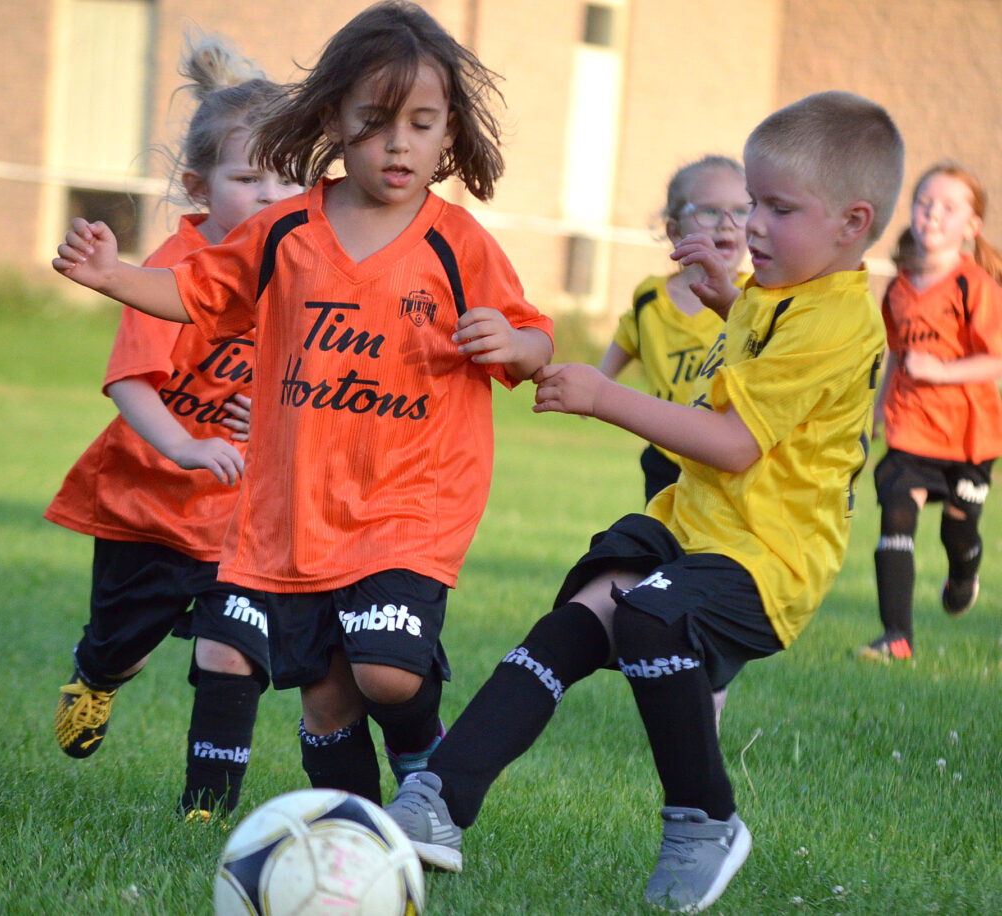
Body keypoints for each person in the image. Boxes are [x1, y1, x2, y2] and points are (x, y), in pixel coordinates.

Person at [383, 90, 904, 913]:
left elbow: (734, 442)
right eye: (749, 202)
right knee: (577, 619)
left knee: (649, 617)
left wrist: (601, 394)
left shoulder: (839, 320)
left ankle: (706, 821)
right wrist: (729, 296)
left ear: (853, 222)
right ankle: (437, 801)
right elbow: (767, 356)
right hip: (696, 525)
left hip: (768, 557)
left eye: (777, 207)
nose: (754, 224)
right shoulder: (786, 290)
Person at [52, 1, 554, 808]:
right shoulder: (286, 231)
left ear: (450, 134)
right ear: (332, 120)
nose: (399, 143)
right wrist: (113, 276)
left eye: (422, 124)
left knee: (386, 672)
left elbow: (533, 342)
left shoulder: (457, 244)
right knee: (326, 697)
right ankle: (358, 834)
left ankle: (429, 767)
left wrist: (518, 346)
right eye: (375, 121)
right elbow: (194, 290)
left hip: (412, 503)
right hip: (302, 512)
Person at [47, 34, 304, 819]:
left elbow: (324, 383)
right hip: (147, 506)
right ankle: (97, 677)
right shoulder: (175, 265)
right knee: (121, 643)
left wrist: (275, 418)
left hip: (238, 517)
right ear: (199, 185)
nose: (269, 196)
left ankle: (207, 812)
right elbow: (129, 381)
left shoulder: (303, 270)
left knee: (231, 649)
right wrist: (188, 445)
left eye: (286, 178)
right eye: (246, 178)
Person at [859, 163, 1002, 662]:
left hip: (969, 437)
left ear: (971, 225)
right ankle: (896, 637)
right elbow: (897, 355)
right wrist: (876, 409)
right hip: (910, 427)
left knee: (958, 531)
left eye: (948, 206)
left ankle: (964, 573)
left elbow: (997, 358)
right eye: (924, 203)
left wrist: (940, 372)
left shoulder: (975, 285)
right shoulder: (898, 287)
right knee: (895, 514)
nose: (932, 214)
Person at [599, 155, 750, 504]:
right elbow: (627, 338)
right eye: (710, 211)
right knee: (659, 547)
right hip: (665, 458)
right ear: (674, 230)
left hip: (725, 462)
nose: (727, 224)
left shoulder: (754, 298)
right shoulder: (650, 297)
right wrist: (595, 382)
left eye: (741, 212)